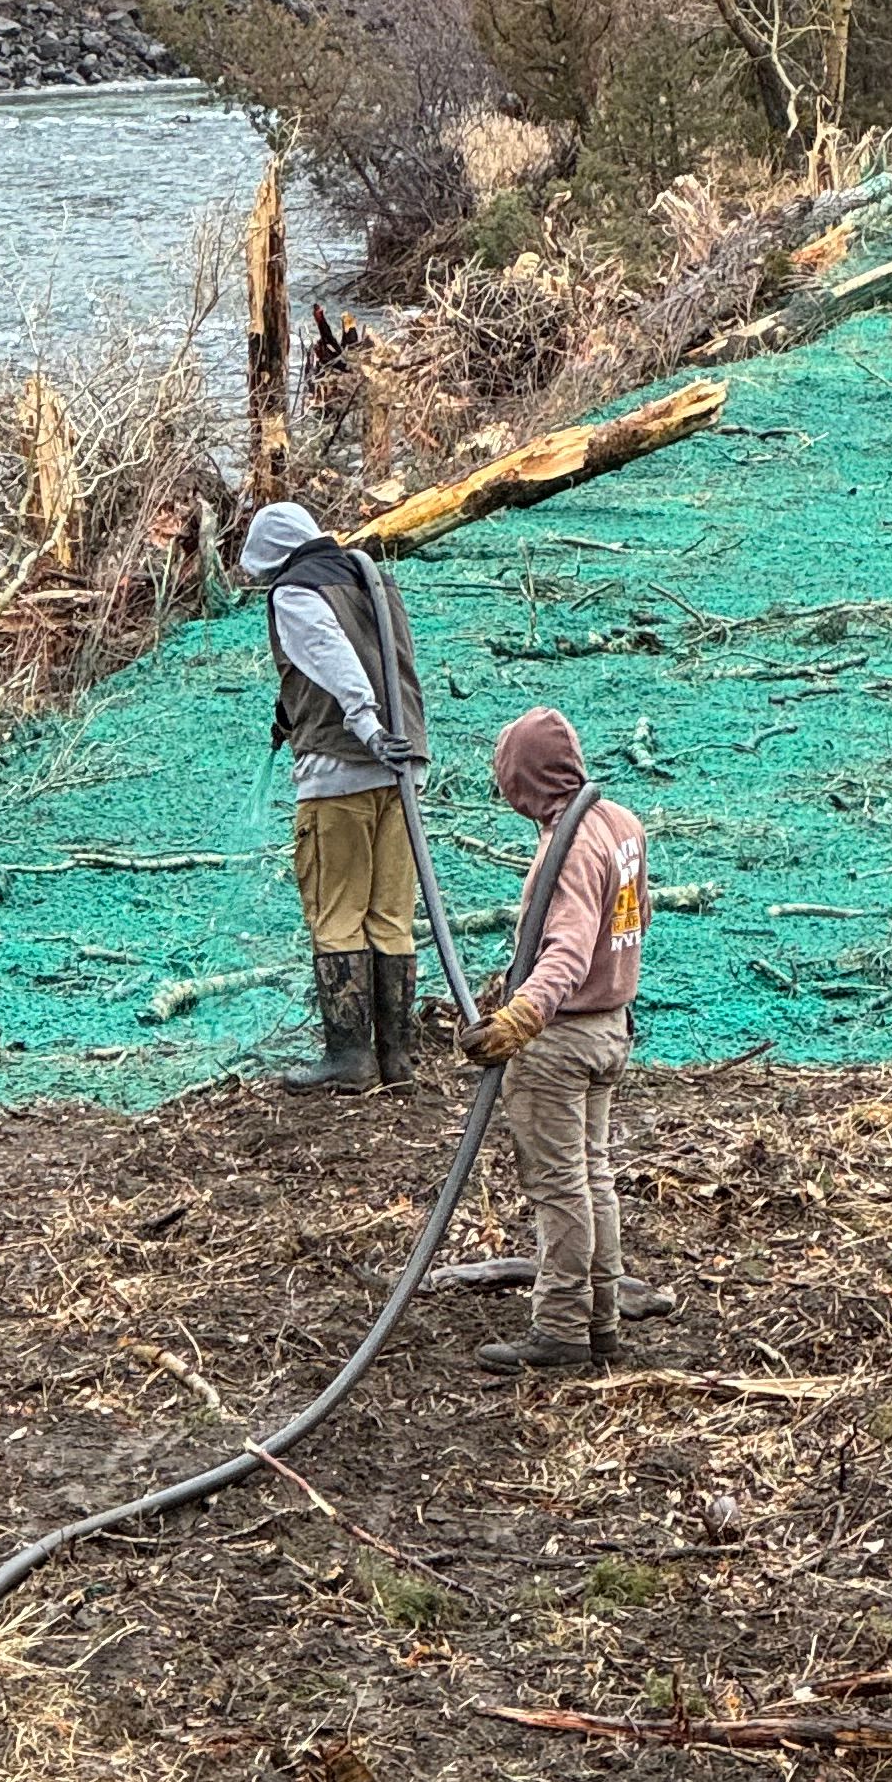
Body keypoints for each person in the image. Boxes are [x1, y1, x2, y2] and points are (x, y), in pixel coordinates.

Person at [462, 705, 662, 1375]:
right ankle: (600, 1320)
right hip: (612, 1029)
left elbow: (569, 949)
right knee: (593, 1176)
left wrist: (522, 1017)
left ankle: (562, 1327)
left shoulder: (568, 847)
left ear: (525, 780)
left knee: (560, 1188)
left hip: (563, 1039)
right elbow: (633, 920)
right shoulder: (620, 824)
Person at [237, 499, 430, 1096]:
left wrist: (365, 726)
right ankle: (396, 1059)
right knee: (391, 914)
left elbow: (334, 658)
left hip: (342, 770)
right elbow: (383, 661)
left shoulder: (296, 592)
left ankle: (349, 1057)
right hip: (403, 770)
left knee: (338, 911)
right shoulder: (372, 578)